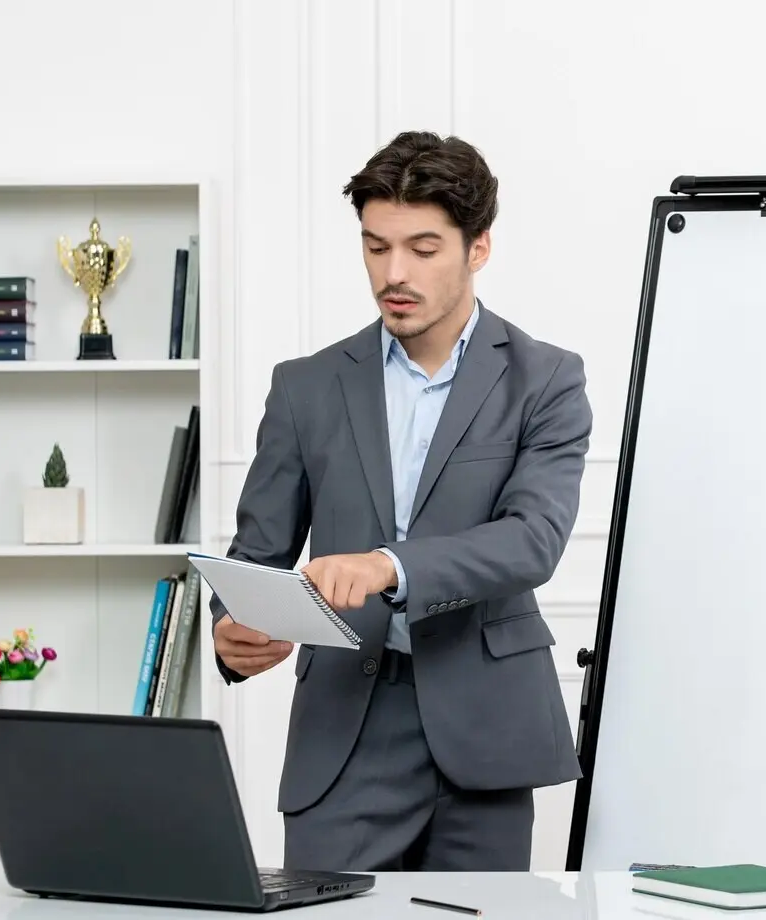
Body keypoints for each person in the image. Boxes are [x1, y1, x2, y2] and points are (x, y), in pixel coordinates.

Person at [210, 130, 592, 873]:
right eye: (376, 246)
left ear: (478, 248)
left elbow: (532, 540)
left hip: (486, 729)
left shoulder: (547, 380)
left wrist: (389, 565)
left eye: (423, 248)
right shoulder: (305, 387)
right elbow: (256, 555)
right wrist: (234, 629)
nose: (393, 273)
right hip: (346, 731)